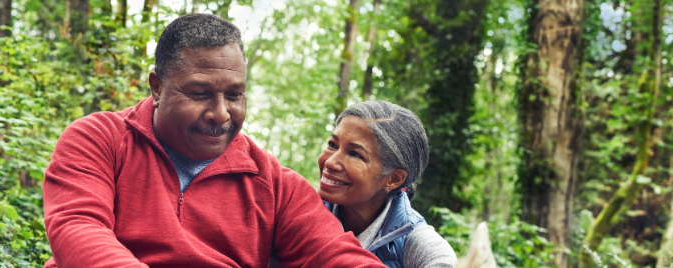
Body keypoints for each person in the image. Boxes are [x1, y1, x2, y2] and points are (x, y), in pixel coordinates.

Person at [40, 13, 385, 267]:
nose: (221, 114)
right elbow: (78, 229)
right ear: (157, 88)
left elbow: (335, 254)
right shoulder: (99, 139)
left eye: (234, 95)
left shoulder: (273, 183)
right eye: (200, 93)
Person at [316, 100, 458, 268]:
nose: (330, 162)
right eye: (332, 145)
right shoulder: (299, 214)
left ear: (394, 178)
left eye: (355, 154)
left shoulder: (422, 248)